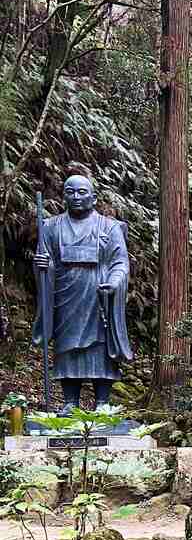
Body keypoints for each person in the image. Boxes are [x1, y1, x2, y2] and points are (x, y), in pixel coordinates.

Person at [32, 174, 132, 409]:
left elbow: (120, 263)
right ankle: (70, 402)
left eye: (82, 192)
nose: (76, 197)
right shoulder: (50, 227)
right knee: (67, 347)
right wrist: (43, 267)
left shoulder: (110, 227)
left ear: (94, 198)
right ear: (63, 196)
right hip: (66, 295)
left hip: (98, 294)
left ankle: (102, 401)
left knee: (101, 346)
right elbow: (45, 261)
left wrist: (115, 283)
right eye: (70, 192)